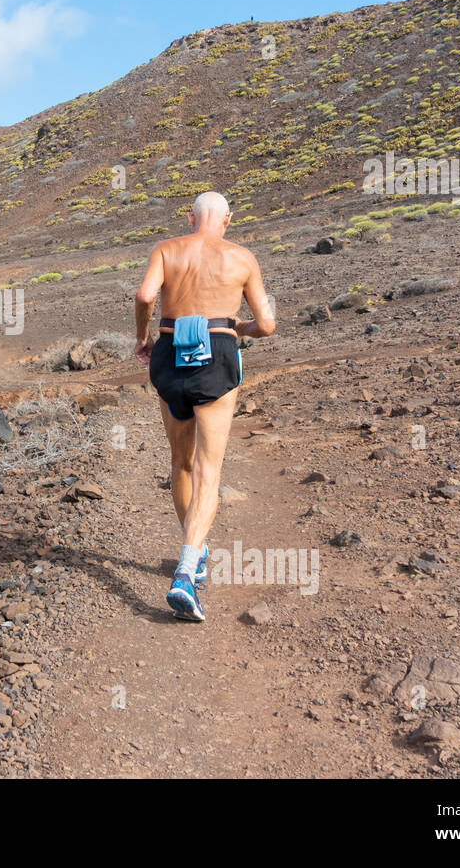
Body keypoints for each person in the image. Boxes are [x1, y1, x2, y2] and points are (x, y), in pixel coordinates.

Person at [133, 191, 276, 621]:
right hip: (217, 349)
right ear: (228, 218)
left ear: (190, 216)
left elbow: (143, 297)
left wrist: (143, 338)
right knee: (209, 469)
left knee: (180, 461)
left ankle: (193, 553)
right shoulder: (242, 258)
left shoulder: (167, 249)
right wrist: (240, 327)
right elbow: (267, 324)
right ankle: (185, 568)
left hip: (171, 347)